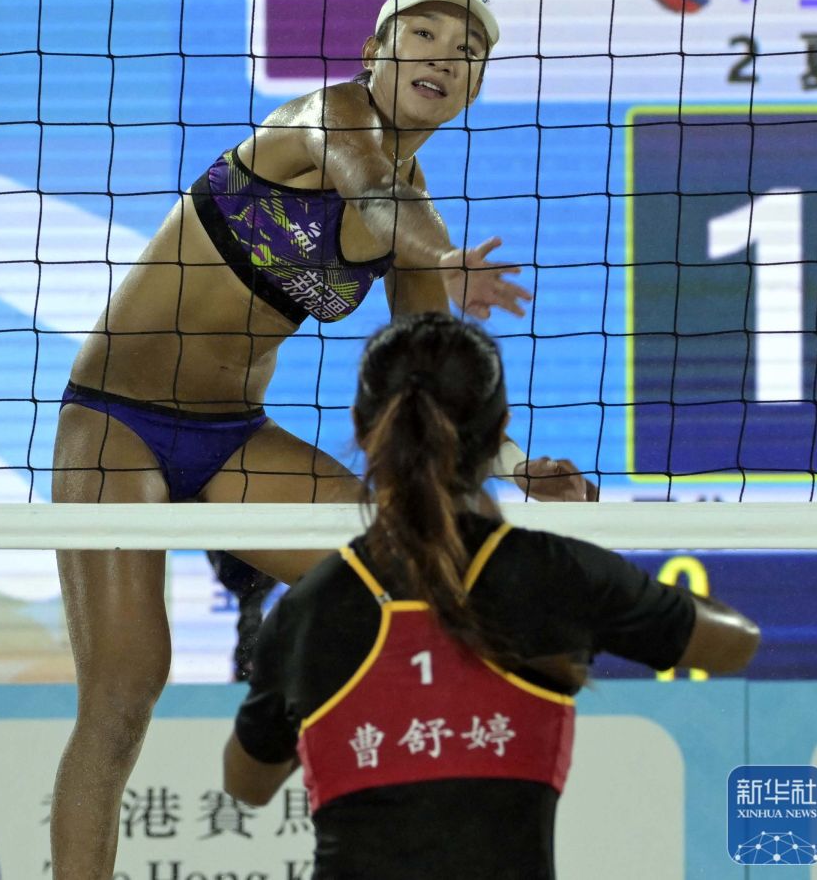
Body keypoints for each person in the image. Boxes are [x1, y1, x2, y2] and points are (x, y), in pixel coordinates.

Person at [49, 0, 595, 878]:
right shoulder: (327, 117)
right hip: (117, 423)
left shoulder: (419, 220)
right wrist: (446, 259)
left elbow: (425, 386)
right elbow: (372, 194)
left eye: (467, 52)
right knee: (122, 691)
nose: (444, 57)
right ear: (377, 51)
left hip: (230, 436)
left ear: (474, 88)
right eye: (423, 34)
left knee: (410, 575)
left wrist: (513, 461)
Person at [224, 313, 761, 880]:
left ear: (361, 428)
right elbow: (736, 644)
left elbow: (247, 784)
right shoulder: (554, 575)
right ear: (500, 428)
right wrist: (595, 564)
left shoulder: (310, 606)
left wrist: (321, 706)